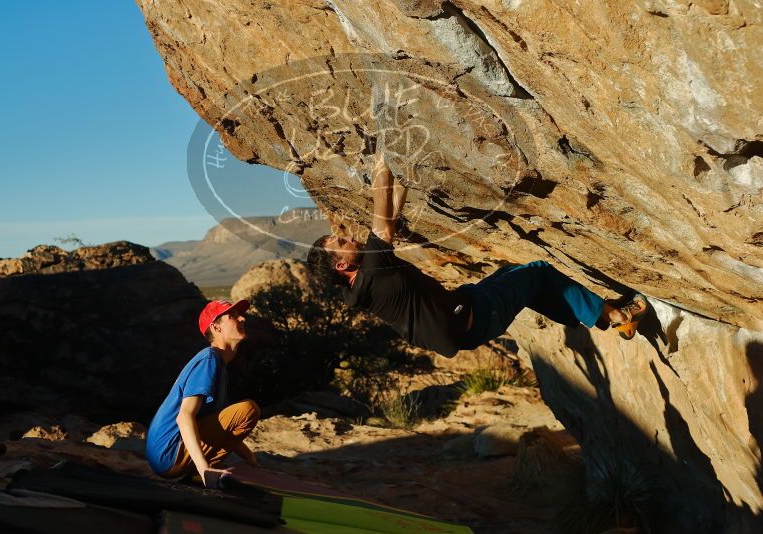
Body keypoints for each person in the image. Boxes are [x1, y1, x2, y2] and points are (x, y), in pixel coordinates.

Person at [307, 153, 648, 358]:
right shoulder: (370, 273)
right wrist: (382, 164)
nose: (348, 236)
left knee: (520, 274)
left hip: (466, 308)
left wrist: (402, 176)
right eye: (341, 241)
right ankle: (616, 316)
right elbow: (382, 224)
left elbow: (391, 219)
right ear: (342, 264)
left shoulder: (360, 285)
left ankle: (595, 315)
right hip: (476, 318)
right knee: (540, 273)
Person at [146, 299, 260, 485]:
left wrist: (250, 458)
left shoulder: (219, 364)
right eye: (232, 316)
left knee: (239, 414)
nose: (242, 318)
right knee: (248, 410)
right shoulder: (209, 360)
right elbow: (184, 417)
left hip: (168, 455)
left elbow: (223, 427)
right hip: (168, 453)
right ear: (216, 328)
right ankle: (203, 472)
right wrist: (203, 468)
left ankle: (199, 473)